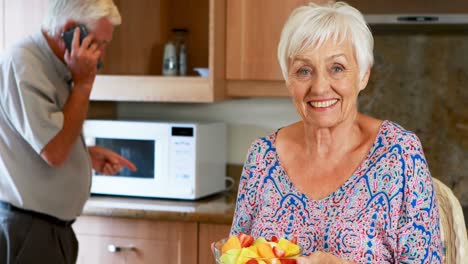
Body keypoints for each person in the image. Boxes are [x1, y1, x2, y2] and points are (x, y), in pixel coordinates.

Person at [229, 2, 442, 263]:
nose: (319, 87)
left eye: (337, 68)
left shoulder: (400, 155)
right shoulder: (262, 157)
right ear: (288, 79)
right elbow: (236, 253)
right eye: (304, 71)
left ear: (363, 75)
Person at [0, 0, 136, 263]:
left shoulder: (57, 67)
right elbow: (54, 150)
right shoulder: (25, 65)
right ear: (72, 31)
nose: (103, 57)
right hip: (28, 231)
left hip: (48, 230)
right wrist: (83, 85)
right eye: (100, 44)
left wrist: (83, 155)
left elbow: (47, 140)